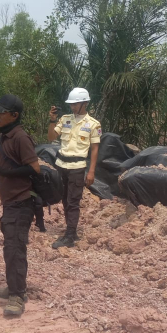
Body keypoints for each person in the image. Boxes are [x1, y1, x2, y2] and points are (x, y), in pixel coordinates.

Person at [0, 93, 40, 317]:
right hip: (10, 202)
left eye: (1, 113)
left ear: (14, 115)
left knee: (15, 249)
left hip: (21, 202)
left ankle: (17, 295)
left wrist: (7, 172)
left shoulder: (20, 137)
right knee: (9, 247)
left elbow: (35, 169)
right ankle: (14, 286)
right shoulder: (5, 137)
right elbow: (4, 165)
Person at [48, 87, 101, 248]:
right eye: (70, 104)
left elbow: (95, 149)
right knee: (64, 199)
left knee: (73, 201)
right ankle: (72, 230)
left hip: (77, 167)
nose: (72, 107)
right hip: (61, 165)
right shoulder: (65, 119)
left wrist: (91, 171)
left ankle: (70, 236)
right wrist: (52, 120)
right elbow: (51, 137)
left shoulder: (93, 124)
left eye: (75, 104)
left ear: (84, 103)